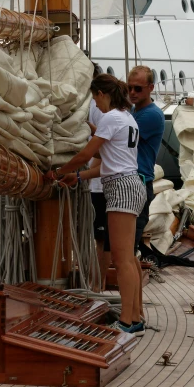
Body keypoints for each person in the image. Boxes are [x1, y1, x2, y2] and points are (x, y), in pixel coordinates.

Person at [49, 74, 146, 334]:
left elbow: (85, 154)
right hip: (129, 184)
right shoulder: (127, 118)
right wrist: (78, 176)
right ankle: (135, 316)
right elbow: (106, 164)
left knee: (122, 259)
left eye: (95, 98)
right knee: (129, 259)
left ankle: (126, 322)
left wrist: (58, 172)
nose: (96, 105)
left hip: (121, 189)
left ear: (103, 94)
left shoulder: (111, 117)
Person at [128, 65, 165, 317]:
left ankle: (134, 314)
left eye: (138, 89)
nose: (132, 92)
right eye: (129, 88)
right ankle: (133, 310)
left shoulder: (150, 115)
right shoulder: (134, 111)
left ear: (151, 88)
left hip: (139, 184)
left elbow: (119, 137)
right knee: (125, 252)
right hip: (132, 182)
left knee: (127, 253)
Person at [88, 64, 111, 291]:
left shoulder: (100, 110)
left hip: (99, 187)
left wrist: (80, 175)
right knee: (102, 240)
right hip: (99, 187)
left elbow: (100, 152)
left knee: (103, 241)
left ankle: (98, 286)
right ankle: (97, 285)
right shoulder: (102, 111)